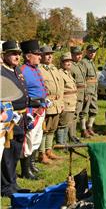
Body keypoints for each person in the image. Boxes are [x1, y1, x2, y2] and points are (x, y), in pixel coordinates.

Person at [1, 41, 30, 195]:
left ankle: (13, 182)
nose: (17, 56)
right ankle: (6, 187)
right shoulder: (1, 71)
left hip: (22, 116)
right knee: (7, 153)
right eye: (13, 53)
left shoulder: (17, 70)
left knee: (16, 151)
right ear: (4, 55)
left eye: (18, 53)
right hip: (8, 119)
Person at [19, 39, 47, 179]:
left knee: (36, 138)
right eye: (37, 54)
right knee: (28, 140)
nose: (40, 57)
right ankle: (25, 171)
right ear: (28, 56)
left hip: (40, 109)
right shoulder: (22, 70)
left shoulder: (36, 69)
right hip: (31, 110)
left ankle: (31, 165)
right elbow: (21, 92)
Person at [38, 45, 64, 163]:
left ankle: (49, 150)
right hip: (48, 103)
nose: (49, 56)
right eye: (47, 54)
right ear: (41, 56)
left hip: (57, 103)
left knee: (52, 128)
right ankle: (41, 153)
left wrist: (61, 102)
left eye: (51, 54)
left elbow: (61, 87)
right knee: (44, 129)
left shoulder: (54, 68)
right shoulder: (39, 69)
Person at [57, 52, 79, 145]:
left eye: (70, 61)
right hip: (66, 103)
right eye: (66, 61)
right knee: (62, 125)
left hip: (71, 103)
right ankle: (60, 144)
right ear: (62, 63)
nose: (69, 63)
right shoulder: (60, 74)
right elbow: (60, 91)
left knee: (67, 124)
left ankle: (65, 143)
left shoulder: (68, 73)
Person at [70, 46, 89, 138]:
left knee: (78, 114)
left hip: (82, 92)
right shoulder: (71, 66)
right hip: (75, 93)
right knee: (74, 115)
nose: (79, 56)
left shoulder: (80, 65)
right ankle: (72, 135)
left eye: (80, 54)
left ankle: (74, 134)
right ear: (72, 55)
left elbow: (84, 80)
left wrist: (85, 93)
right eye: (77, 54)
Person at [79, 45, 99, 136]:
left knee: (94, 109)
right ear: (86, 52)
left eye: (94, 52)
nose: (92, 53)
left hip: (93, 89)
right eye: (90, 52)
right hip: (87, 90)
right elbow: (83, 78)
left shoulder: (91, 62)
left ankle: (90, 127)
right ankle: (83, 129)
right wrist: (85, 92)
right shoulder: (83, 62)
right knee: (84, 110)